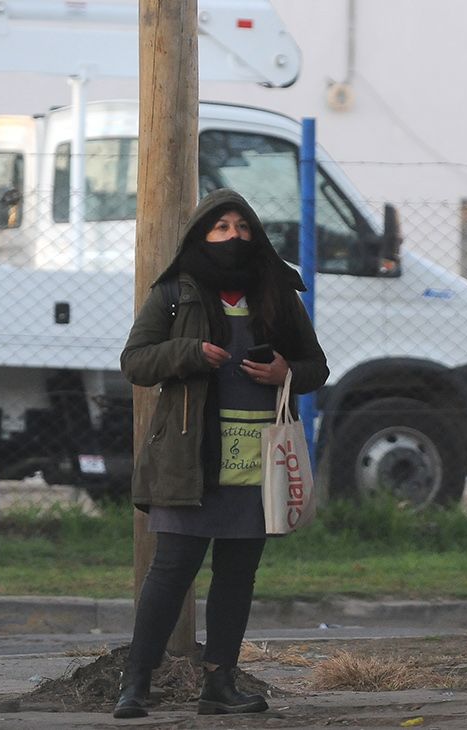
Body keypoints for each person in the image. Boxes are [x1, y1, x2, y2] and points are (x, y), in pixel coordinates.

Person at [112, 189, 328, 719]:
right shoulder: (174, 292)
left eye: (242, 227)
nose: (234, 236)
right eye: (221, 227)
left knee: (237, 575)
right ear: (201, 235)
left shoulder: (278, 291)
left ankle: (219, 684)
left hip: (260, 464)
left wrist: (286, 373)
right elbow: (135, 361)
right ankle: (136, 685)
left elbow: (315, 365)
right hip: (190, 460)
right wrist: (187, 353)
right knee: (171, 571)